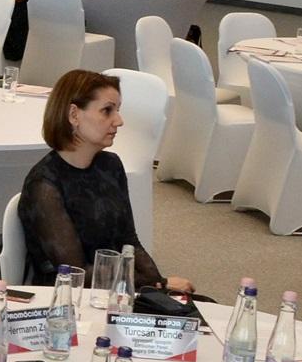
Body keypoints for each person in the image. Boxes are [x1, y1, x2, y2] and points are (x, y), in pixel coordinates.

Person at [18, 70, 193, 293]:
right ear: (74, 115)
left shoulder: (110, 165)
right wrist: (155, 284)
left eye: (117, 110)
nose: (119, 121)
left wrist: (158, 284)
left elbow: (129, 241)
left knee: (198, 306)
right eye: (107, 111)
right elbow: (76, 275)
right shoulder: (44, 186)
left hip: (116, 289)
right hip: (69, 300)